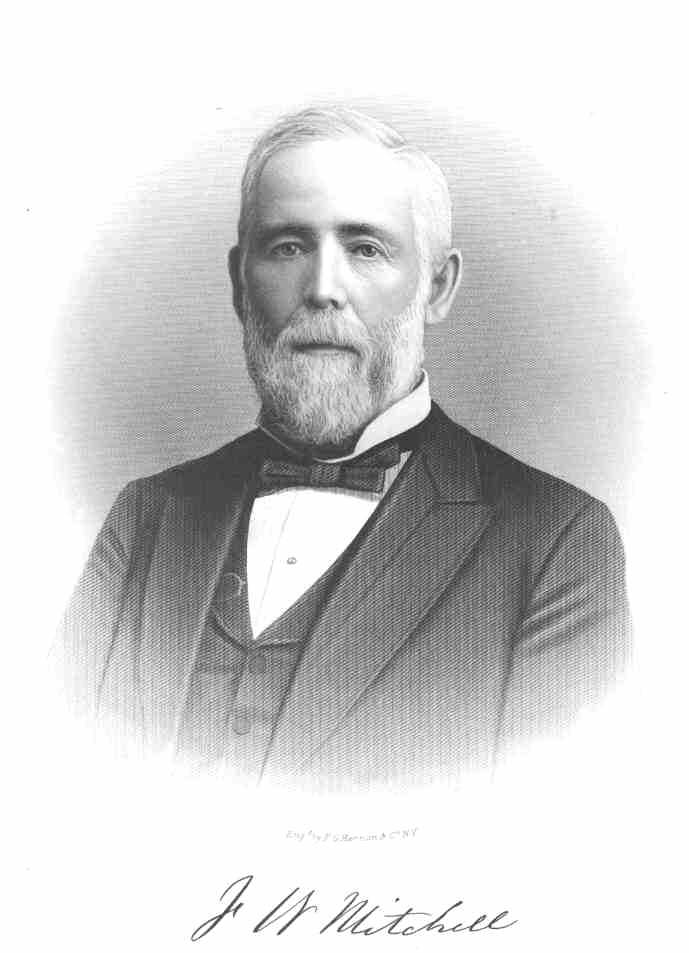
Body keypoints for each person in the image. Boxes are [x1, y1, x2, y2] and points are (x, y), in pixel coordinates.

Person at [58, 106, 630, 789]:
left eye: (365, 249)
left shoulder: (559, 540)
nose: (323, 289)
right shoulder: (145, 517)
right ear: (240, 282)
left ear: (437, 287)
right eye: (288, 247)